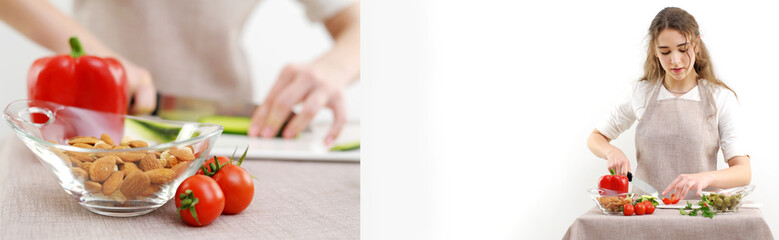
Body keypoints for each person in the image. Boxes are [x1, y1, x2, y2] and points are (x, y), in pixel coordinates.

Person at [0, 0, 360, 145]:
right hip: (87, 134)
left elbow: (363, 28)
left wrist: (334, 66)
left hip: (223, 138)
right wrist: (101, 63)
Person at [586, 7, 750, 200]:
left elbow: (743, 172)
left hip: (698, 214)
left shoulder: (720, 97)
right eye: (665, 52)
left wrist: (706, 177)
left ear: (697, 44)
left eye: (683, 49)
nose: (675, 60)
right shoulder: (641, 93)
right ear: (655, 51)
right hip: (645, 212)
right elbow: (595, 138)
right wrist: (611, 151)